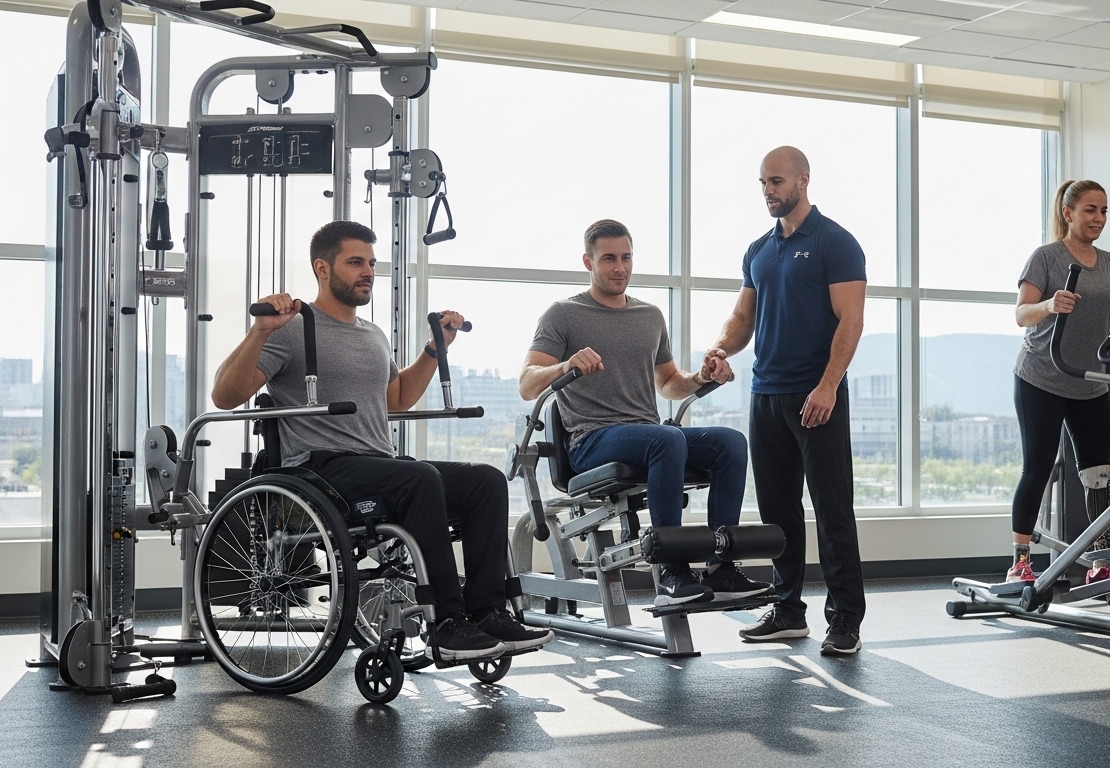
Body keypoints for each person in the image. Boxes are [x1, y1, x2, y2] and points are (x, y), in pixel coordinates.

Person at [211, 220, 553, 661]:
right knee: (419, 478)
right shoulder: (293, 330)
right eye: (355, 262)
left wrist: (435, 350)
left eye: (371, 263)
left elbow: (396, 398)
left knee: (484, 481)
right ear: (322, 268)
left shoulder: (372, 334)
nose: (367, 271)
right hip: (320, 470)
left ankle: (487, 611)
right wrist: (260, 331)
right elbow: (224, 395)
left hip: (379, 466)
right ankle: (447, 623)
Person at [518, 219, 772, 607]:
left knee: (730, 442)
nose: (619, 267)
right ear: (588, 261)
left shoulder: (650, 316)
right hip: (591, 442)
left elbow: (669, 383)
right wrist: (566, 364)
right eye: (608, 259)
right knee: (665, 439)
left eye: (626, 257)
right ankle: (672, 571)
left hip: (648, 437)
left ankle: (721, 568)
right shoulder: (563, 315)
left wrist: (701, 376)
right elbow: (527, 383)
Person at [705, 146, 867, 656]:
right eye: (762, 183)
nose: (769, 192)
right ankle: (787, 610)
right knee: (778, 513)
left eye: (776, 181)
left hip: (816, 394)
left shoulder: (836, 243)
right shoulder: (759, 250)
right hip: (766, 395)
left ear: (803, 179)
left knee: (832, 508)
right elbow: (742, 318)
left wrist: (827, 385)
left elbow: (852, 319)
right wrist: (720, 347)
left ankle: (844, 620)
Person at [1008, 179, 1110, 584]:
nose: (1098, 218)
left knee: (1098, 473)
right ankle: (1021, 561)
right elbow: (1021, 314)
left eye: (1103, 211)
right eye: (1090, 210)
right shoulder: (1045, 258)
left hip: (1089, 382)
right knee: (1038, 468)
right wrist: (1049, 304)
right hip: (1041, 378)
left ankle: (1100, 561)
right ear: (1068, 213)